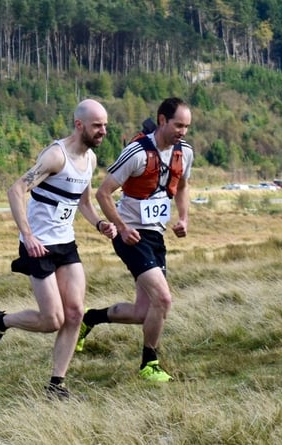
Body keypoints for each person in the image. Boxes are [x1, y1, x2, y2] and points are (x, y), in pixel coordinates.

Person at [0, 99, 117, 399]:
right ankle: (0, 321)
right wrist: (28, 235)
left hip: (65, 244)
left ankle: (56, 384)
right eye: (97, 125)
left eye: (105, 124)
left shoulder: (90, 160)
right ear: (79, 125)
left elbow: (84, 202)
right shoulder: (56, 156)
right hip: (38, 245)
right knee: (52, 320)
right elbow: (16, 190)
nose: (103, 130)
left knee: (76, 312)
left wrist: (99, 224)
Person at [76, 97, 194, 382]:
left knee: (145, 311)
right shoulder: (137, 152)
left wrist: (183, 218)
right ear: (162, 120)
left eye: (187, 126)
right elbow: (104, 193)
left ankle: (90, 319)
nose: (183, 132)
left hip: (156, 235)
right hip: (130, 235)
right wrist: (121, 227)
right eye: (178, 125)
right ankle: (149, 364)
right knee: (163, 299)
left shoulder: (185, 152)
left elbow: (182, 187)